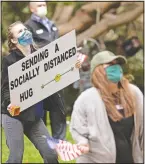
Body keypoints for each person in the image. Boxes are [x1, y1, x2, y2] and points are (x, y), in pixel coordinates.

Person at [1, 21, 80, 163]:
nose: (24, 32)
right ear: (13, 40)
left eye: (25, 29)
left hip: (34, 116)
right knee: (15, 158)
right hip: (14, 116)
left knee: (51, 155)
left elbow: (56, 77)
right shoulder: (9, 61)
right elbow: (6, 88)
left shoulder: (42, 57)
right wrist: (11, 102)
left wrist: (72, 67)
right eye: (19, 32)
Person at [70, 51, 143, 163]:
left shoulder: (134, 93)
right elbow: (78, 127)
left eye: (117, 64)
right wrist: (82, 143)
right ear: (98, 71)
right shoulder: (86, 98)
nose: (116, 68)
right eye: (110, 65)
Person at [25, 1, 66, 140]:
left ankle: (59, 140)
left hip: (56, 72)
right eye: (39, 5)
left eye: (44, 4)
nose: (43, 7)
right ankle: (42, 139)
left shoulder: (52, 25)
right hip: (40, 73)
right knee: (41, 108)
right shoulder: (28, 26)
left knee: (58, 106)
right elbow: (28, 49)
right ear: (31, 8)